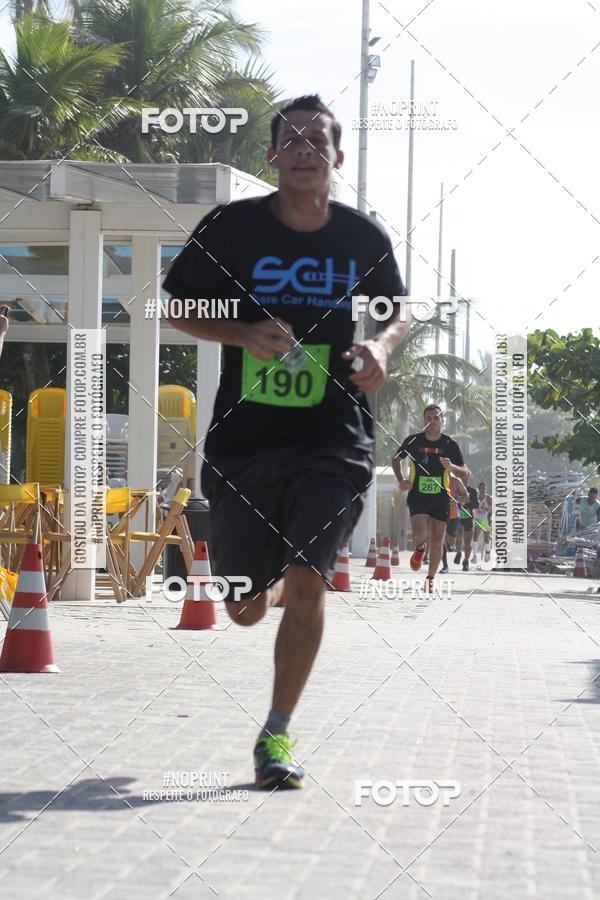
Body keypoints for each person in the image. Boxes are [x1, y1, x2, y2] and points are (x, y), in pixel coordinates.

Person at [163, 95, 411, 790]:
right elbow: (177, 305)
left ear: (336, 156)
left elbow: (396, 309)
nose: (304, 148)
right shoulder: (233, 227)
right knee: (243, 608)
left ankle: (275, 733)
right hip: (244, 442)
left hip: (335, 438)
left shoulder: (361, 235)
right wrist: (242, 332)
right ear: (273, 156)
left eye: (317, 140)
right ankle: (265, 576)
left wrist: (380, 347)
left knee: (309, 582)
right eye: (291, 139)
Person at [392, 405, 468, 590]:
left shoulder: (450, 444)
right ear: (424, 420)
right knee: (420, 534)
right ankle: (419, 548)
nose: (432, 421)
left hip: (441, 497)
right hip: (417, 495)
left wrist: (452, 467)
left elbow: (465, 473)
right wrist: (401, 480)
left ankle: (430, 579)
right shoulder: (413, 441)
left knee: (437, 540)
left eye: (436, 417)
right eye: (428, 418)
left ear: (442, 421)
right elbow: (396, 459)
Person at [472, 481, 493, 564]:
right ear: (479, 489)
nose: (483, 490)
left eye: (484, 488)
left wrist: (486, 509)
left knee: (486, 538)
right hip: (478, 519)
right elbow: (473, 508)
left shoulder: (488, 498)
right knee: (475, 536)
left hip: (485, 520)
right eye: (481, 488)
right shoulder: (476, 498)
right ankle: (474, 556)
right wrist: (476, 511)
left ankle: (487, 552)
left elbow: (491, 509)